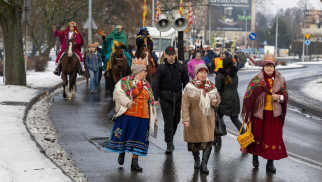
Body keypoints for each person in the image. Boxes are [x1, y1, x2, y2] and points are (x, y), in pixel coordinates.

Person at [106, 57, 157, 171]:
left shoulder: (147, 85)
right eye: (144, 70)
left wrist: (154, 117)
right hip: (128, 116)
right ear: (138, 72)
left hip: (143, 117)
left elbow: (151, 101)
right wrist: (127, 102)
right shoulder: (125, 81)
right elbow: (117, 93)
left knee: (139, 139)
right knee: (125, 137)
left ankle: (135, 163)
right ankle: (122, 152)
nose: (146, 72)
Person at [241, 54, 288, 172]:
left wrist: (279, 97)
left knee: (271, 139)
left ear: (274, 67)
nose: (269, 68)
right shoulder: (256, 80)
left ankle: (270, 163)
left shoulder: (280, 80)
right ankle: (255, 157)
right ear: (263, 67)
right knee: (257, 137)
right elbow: (248, 95)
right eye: (267, 66)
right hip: (259, 115)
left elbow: (286, 96)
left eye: (271, 66)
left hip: (274, 115)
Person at [182, 63, 221, 174]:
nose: (203, 75)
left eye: (205, 72)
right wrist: (185, 118)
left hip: (208, 119)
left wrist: (215, 102)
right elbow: (185, 104)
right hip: (194, 119)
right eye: (201, 72)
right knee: (194, 142)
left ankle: (204, 164)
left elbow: (218, 98)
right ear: (196, 73)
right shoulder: (190, 87)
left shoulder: (212, 86)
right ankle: (196, 159)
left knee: (208, 142)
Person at [151, 46, 189, 154]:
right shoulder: (161, 68)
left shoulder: (181, 67)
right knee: (168, 120)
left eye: (173, 55)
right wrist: (156, 98)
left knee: (176, 119)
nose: (171, 57)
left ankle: (169, 136)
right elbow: (155, 83)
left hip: (177, 97)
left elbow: (186, 83)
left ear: (175, 55)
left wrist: (187, 97)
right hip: (165, 97)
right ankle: (169, 143)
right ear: (165, 55)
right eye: (169, 55)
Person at [214, 58, 245, 145]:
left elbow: (218, 88)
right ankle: (246, 139)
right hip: (235, 98)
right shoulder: (235, 74)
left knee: (217, 118)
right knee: (235, 119)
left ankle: (217, 140)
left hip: (224, 99)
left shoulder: (220, 74)